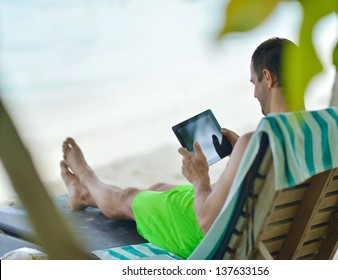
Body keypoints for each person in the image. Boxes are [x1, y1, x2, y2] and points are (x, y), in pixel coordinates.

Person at [60, 37, 298, 258]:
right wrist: (240, 156)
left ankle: (86, 178)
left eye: (254, 83)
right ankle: (84, 196)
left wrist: (200, 179)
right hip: (273, 233)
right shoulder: (316, 136)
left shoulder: (256, 141)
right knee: (158, 187)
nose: (255, 93)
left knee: (127, 196)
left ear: (268, 77)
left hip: (212, 237)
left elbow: (206, 222)